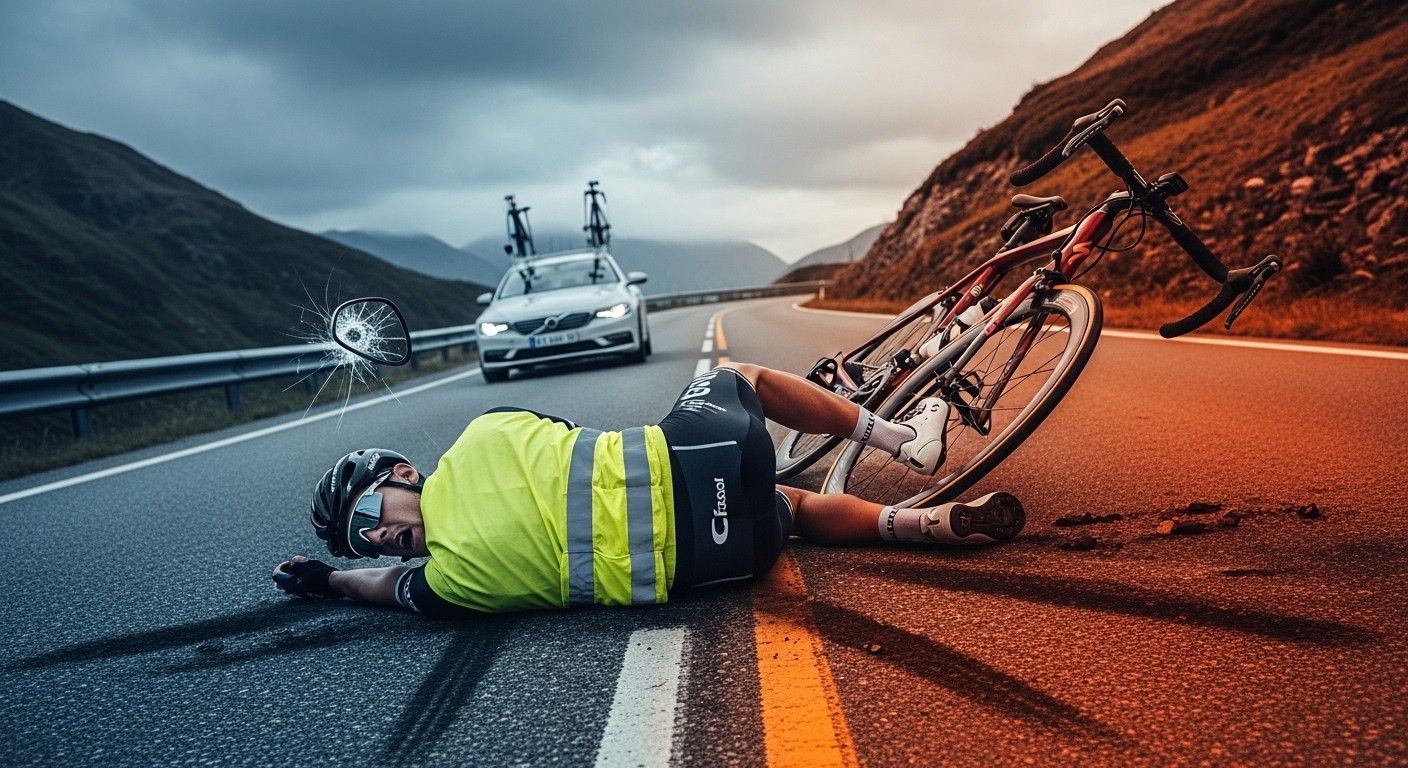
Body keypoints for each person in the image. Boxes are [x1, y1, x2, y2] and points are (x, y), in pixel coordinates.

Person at [272, 363, 1025, 617]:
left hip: (722, 563)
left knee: (788, 513)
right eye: (359, 539)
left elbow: (376, 588)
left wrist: (331, 578)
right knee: (743, 378)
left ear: (402, 476)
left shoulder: (447, 589)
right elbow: (558, 431)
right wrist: (344, 571)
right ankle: (901, 442)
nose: (374, 539)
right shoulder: (484, 431)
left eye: (366, 514)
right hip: (707, 456)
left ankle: (924, 525)